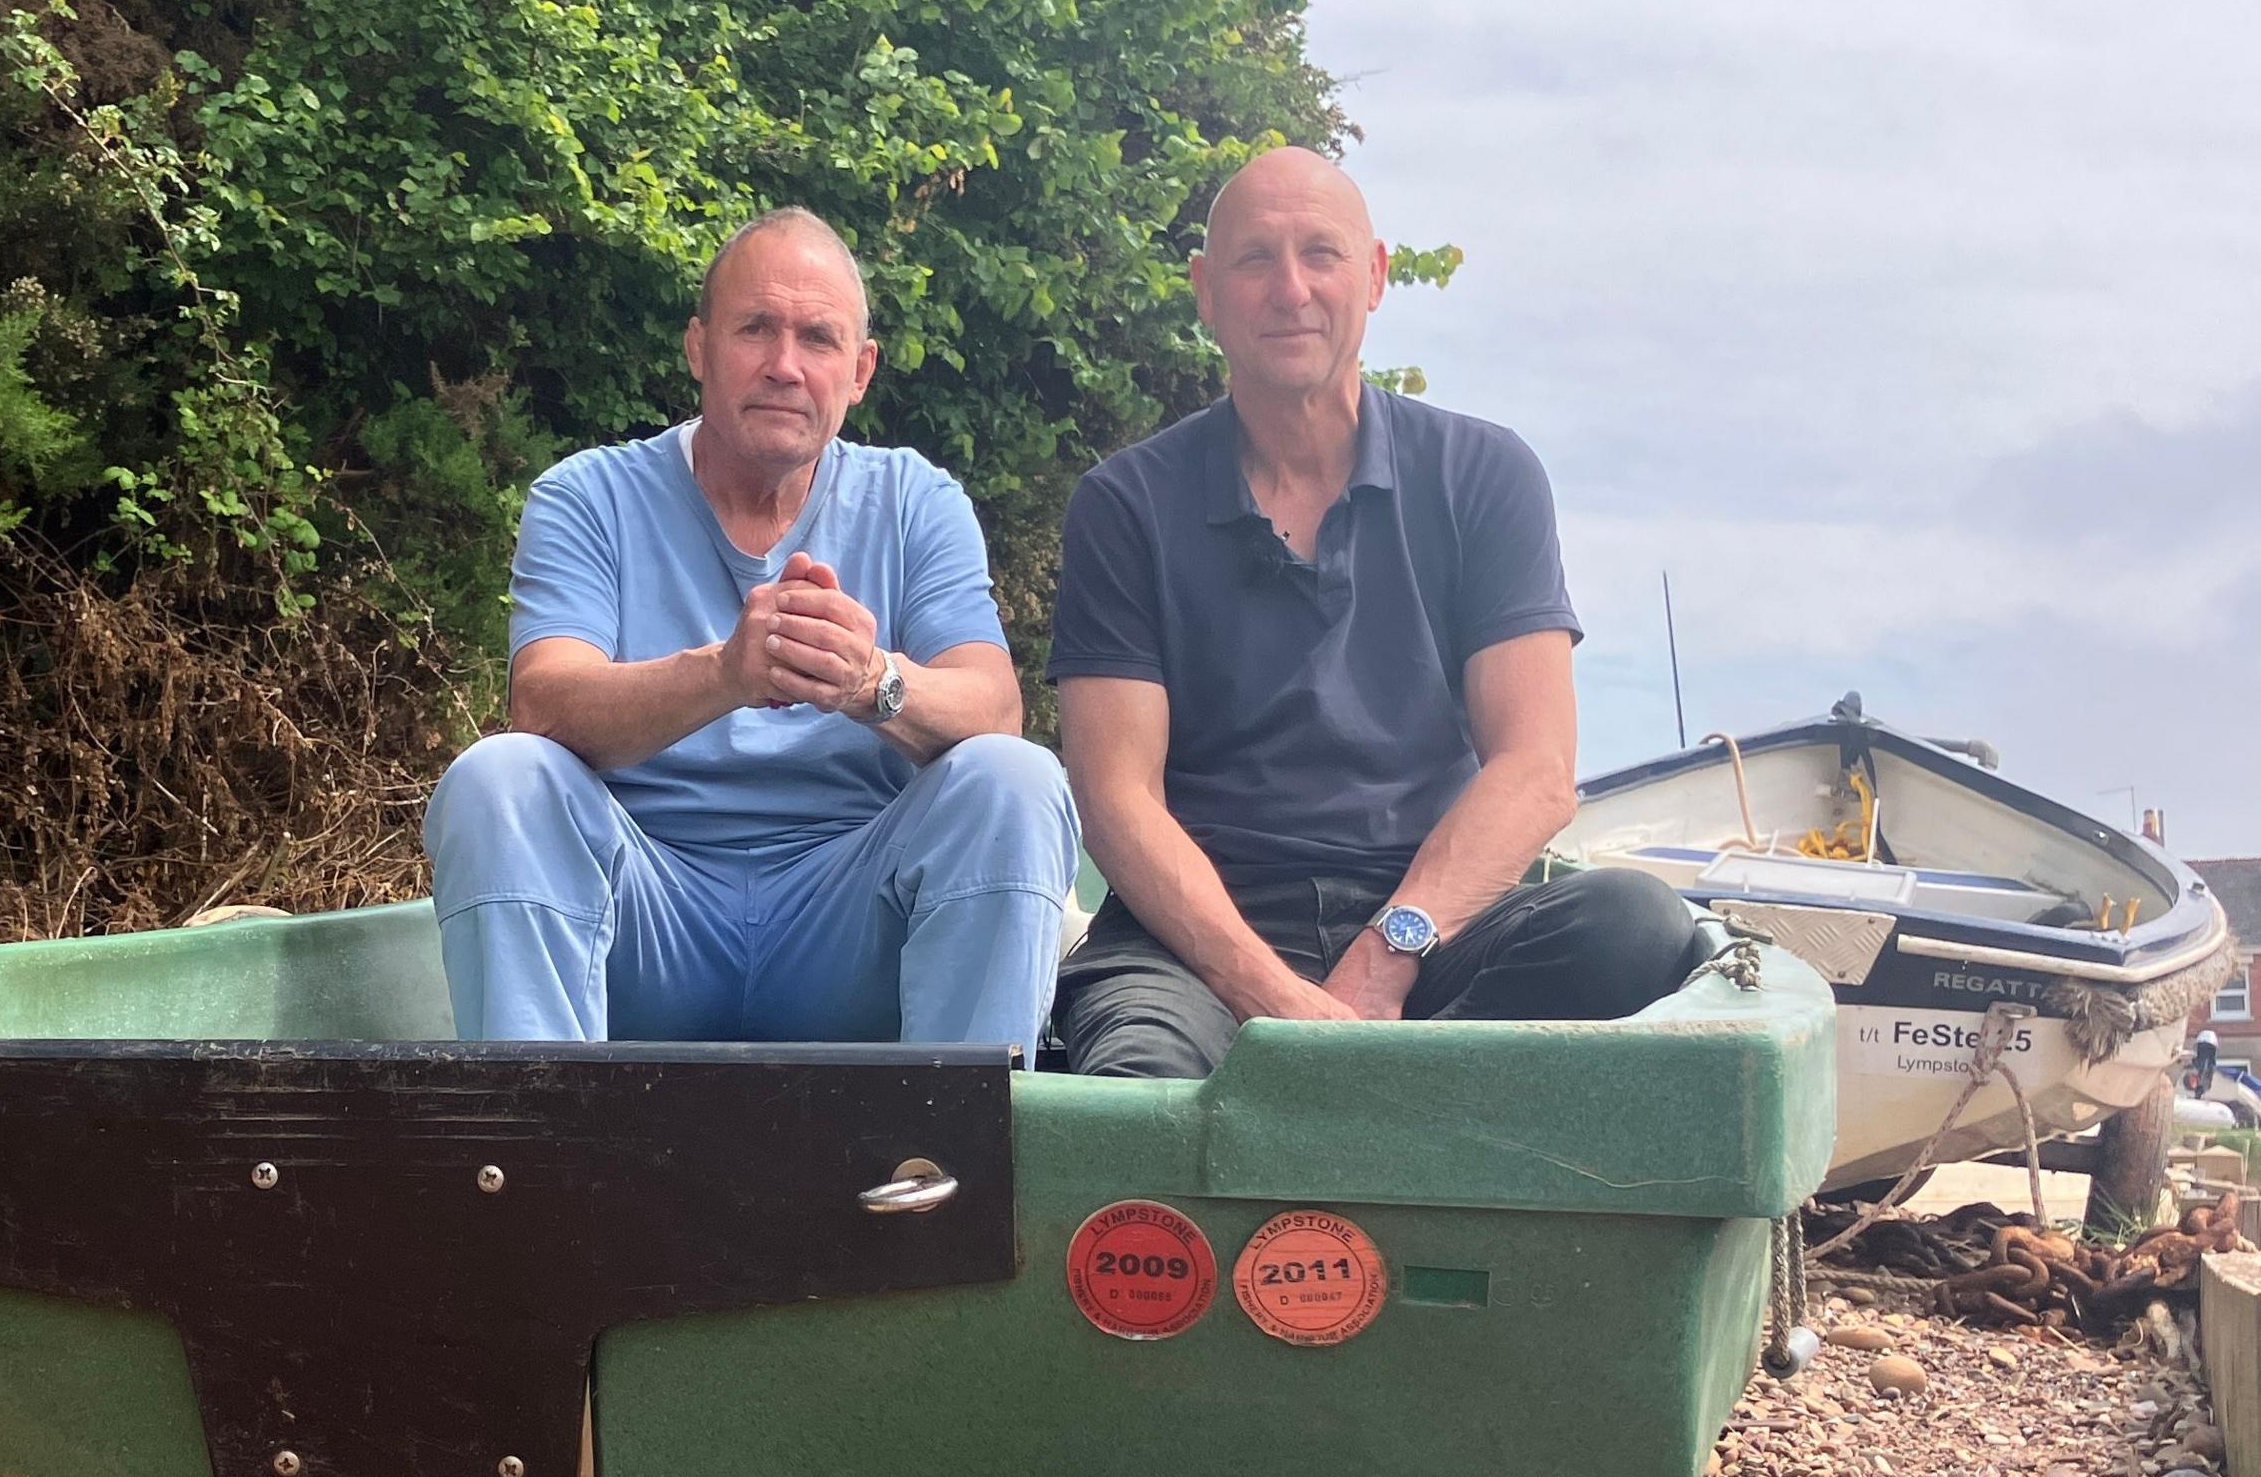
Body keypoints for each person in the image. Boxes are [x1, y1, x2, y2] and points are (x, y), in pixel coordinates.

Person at [1049, 149, 1696, 1080]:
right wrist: (1272, 1001)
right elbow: (1116, 797)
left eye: (1322, 254)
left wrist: (1385, 960)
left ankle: (1395, 1115)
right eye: (1254, 259)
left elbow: (1539, 768)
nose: (1291, 289)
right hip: (1194, 942)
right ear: (1205, 290)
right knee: (1137, 1083)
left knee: (1635, 926)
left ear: (1377, 276)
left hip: (1431, 926)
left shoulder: (1485, 476)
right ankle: (1406, 1111)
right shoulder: (1124, 504)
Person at [422, 208, 1079, 1060]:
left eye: (818, 339)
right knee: (498, 777)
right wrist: (726, 671)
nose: (784, 366)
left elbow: (996, 709)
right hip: (645, 925)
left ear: (860, 371)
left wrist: (871, 682)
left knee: (1013, 780)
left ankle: (951, 1168)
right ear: (699, 348)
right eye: (755, 329)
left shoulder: (918, 502)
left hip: (851, 932)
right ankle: (545, 1168)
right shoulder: (588, 497)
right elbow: (542, 702)